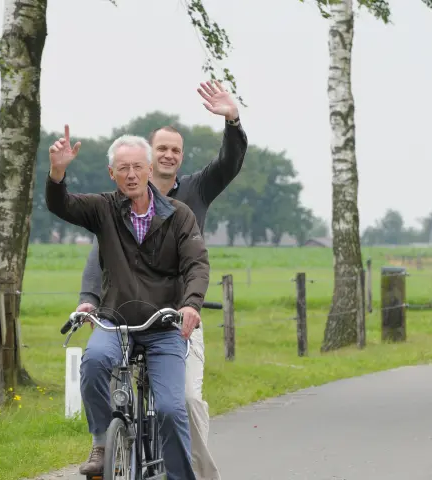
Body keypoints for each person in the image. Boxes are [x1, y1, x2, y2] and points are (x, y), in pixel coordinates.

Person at [76, 80, 247, 480]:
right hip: (130, 310)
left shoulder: (195, 189)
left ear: (180, 158)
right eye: (161, 148)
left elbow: (230, 162)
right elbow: (100, 253)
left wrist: (233, 120)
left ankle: (196, 475)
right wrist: (89, 297)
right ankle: (110, 442)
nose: (168, 155)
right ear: (147, 158)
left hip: (179, 312)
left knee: (184, 400)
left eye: (176, 149)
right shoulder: (125, 196)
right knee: (102, 364)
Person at [45, 125, 210, 480]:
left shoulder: (179, 215)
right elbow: (62, 205)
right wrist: (58, 173)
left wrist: (191, 304)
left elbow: (197, 264)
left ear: (150, 170)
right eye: (123, 168)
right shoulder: (103, 209)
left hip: (164, 326)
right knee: (93, 362)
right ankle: (103, 441)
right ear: (112, 173)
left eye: (138, 167)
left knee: (170, 407)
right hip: (116, 322)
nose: (131, 175)